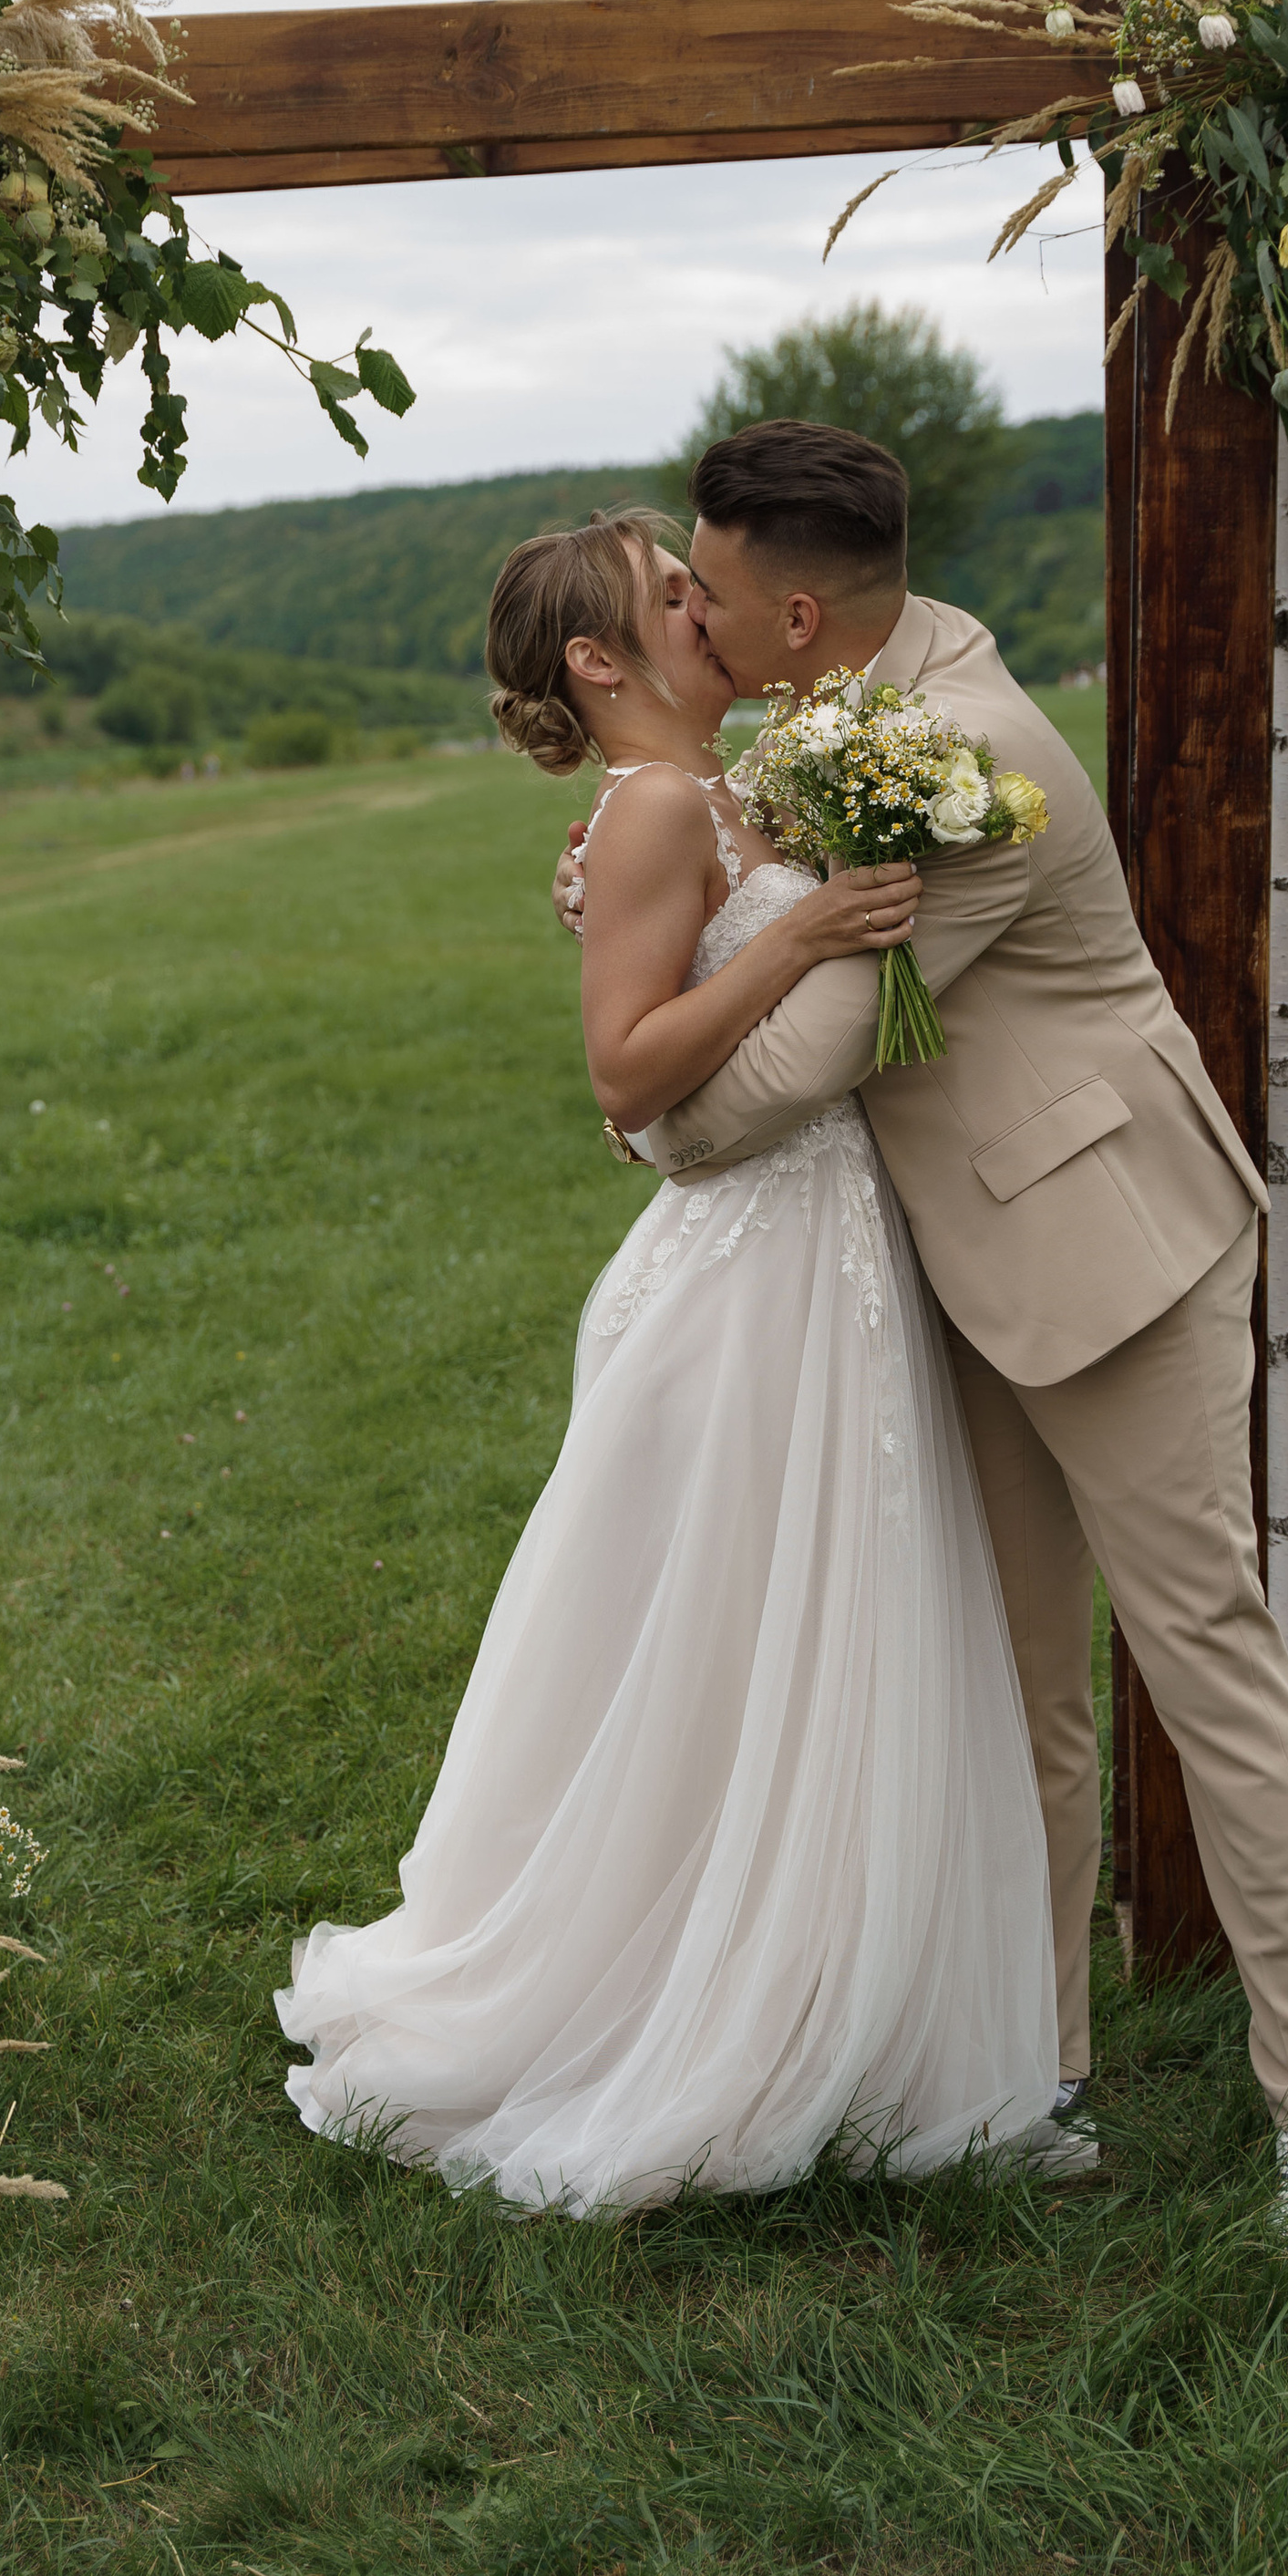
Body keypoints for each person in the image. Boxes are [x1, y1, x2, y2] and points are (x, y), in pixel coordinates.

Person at [550, 421, 1288, 2266]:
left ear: (790, 606)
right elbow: (740, 879)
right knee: (1017, 1688)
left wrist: (644, 1103)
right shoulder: (824, 717)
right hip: (942, 1259)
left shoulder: (968, 760)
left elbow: (803, 1061)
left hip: (1107, 1250)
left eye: (701, 582)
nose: (683, 606)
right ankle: (1040, 2085)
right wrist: (643, 909)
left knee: (1203, 1666)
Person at [276, 509, 1063, 2213]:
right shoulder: (645, 815)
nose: (709, 613)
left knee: (808, 1627)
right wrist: (797, 934)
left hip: (831, 1243)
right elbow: (626, 1080)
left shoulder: (725, 791)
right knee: (724, 1633)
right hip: (744, 1269)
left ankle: (821, 1993)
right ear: (599, 659)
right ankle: (676, 2010)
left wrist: (792, 871)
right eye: (672, 597)